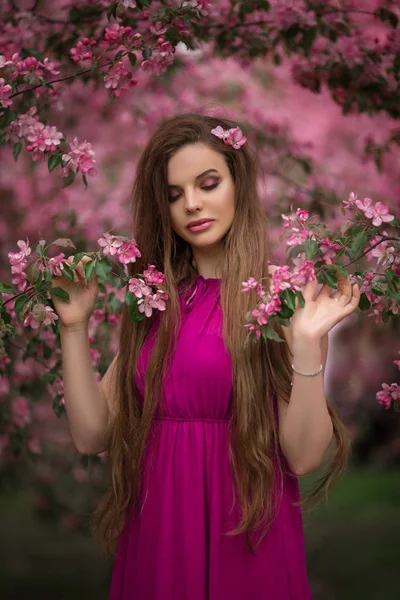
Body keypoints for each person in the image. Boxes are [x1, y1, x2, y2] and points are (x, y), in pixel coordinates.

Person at [52, 112, 360, 599]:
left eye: (208, 183)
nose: (191, 203)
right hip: (159, 529)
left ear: (238, 184)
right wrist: (73, 327)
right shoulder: (153, 302)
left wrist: (304, 345)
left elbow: (302, 456)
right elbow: (92, 435)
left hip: (247, 528)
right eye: (174, 194)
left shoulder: (280, 301)